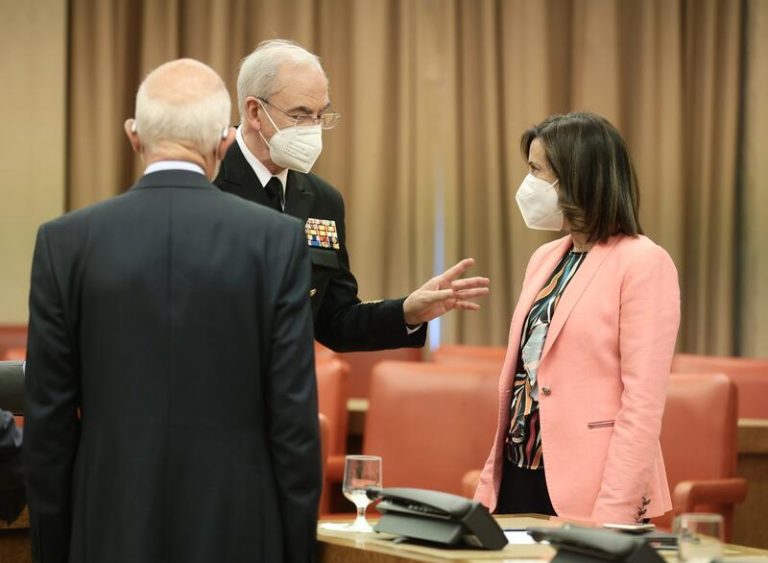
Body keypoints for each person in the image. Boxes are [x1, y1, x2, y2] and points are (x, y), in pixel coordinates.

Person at [24, 59, 320, 563]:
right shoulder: (275, 241)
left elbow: (48, 426)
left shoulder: (65, 243)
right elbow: (293, 421)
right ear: (223, 143)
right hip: (239, 531)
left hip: (108, 530)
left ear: (134, 136)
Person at [215, 39, 489, 352]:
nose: (313, 128)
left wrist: (407, 312)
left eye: (320, 115)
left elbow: (335, 320)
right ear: (255, 112)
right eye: (300, 115)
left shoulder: (323, 200)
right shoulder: (207, 183)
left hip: (290, 380)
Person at [474, 112, 680, 524]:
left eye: (537, 171)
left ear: (577, 178)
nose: (528, 184)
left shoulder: (643, 261)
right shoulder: (546, 257)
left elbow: (642, 404)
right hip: (519, 469)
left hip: (591, 484)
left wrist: (615, 511)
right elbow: (526, 375)